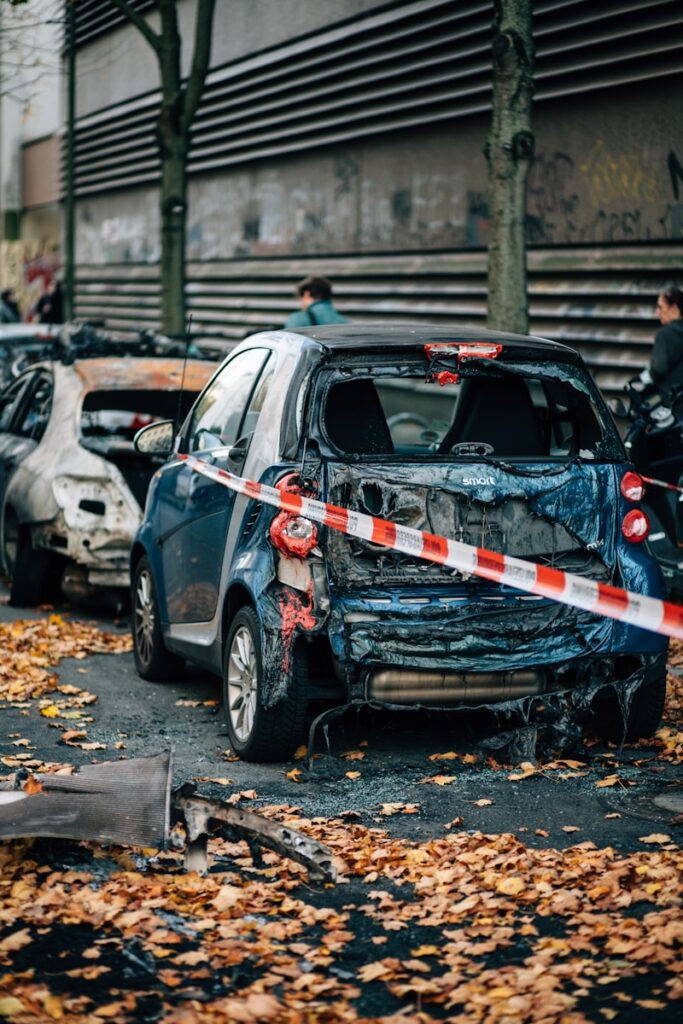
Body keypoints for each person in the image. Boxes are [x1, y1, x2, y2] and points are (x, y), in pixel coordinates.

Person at [638, 285, 683, 405]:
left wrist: (645, 377)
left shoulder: (664, 335)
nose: (657, 312)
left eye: (660, 307)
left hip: (671, 405)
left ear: (673, 308)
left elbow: (659, 370)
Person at [283, 276, 348, 329]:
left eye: (300, 299)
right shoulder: (346, 322)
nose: (301, 305)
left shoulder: (297, 319)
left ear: (306, 294)